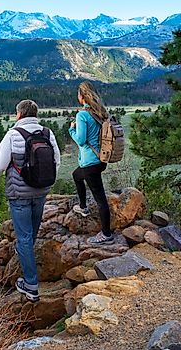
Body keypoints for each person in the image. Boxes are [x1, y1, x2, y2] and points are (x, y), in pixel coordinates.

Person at [0, 99, 61, 302]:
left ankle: (30, 285)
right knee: (31, 235)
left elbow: (1, 163)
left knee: (24, 239)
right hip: (40, 191)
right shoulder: (47, 133)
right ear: (35, 114)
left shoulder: (13, 134)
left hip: (19, 194)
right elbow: (57, 160)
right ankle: (26, 261)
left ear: (19, 114)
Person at [69, 81, 114, 245]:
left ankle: (106, 234)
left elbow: (81, 140)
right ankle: (82, 206)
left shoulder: (82, 115)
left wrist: (71, 130)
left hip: (90, 163)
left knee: (101, 200)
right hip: (101, 159)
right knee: (76, 175)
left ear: (81, 97)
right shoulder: (99, 112)